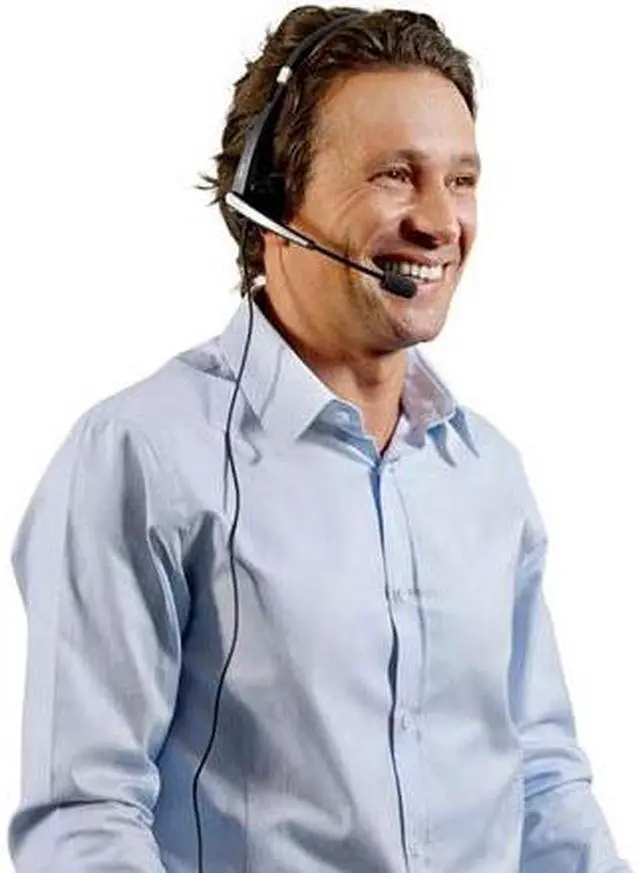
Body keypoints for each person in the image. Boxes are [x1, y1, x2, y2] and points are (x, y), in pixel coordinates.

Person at [7, 5, 633, 873]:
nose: (441, 222)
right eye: (395, 175)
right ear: (271, 200)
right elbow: (84, 815)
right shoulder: (141, 456)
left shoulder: (485, 470)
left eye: (460, 180)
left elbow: (542, 780)